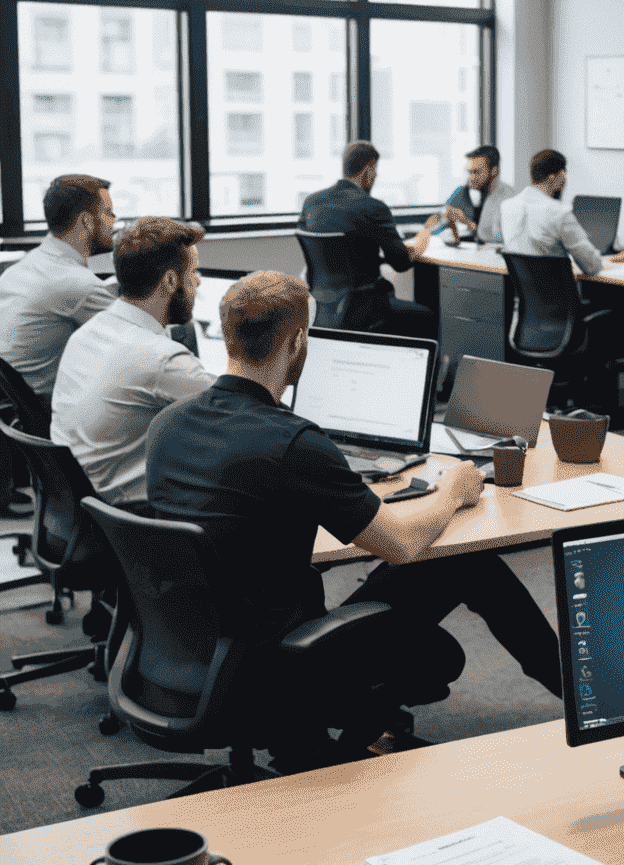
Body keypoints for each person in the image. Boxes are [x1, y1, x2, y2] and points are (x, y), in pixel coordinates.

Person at [146, 272, 563, 769]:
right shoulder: (293, 443)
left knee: (458, 562)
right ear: (299, 341)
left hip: (186, 649)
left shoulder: (167, 425)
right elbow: (403, 544)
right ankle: (584, 694)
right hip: (281, 663)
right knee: (469, 562)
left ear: (227, 335)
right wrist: (452, 491)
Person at [51, 217, 212, 509]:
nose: (198, 282)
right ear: (171, 281)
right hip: (135, 521)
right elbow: (244, 415)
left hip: (85, 508)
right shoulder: (163, 360)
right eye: (194, 272)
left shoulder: (89, 332)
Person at [299, 140, 436, 339]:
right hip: (365, 309)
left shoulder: (311, 203)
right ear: (368, 170)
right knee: (428, 317)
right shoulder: (373, 207)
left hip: (321, 308)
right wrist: (418, 247)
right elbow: (400, 263)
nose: (376, 176)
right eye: (375, 170)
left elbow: (339, 254)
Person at [0, 173, 117, 405]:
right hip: (51, 416)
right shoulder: (77, 284)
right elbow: (141, 340)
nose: (114, 220)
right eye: (108, 212)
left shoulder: (23, 268)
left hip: (15, 416)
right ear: (86, 221)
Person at [500, 148, 624, 270]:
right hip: (560, 293)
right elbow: (592, 266)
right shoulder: (559, 212)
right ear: (561, 175)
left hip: (527, 294)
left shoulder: (507, 207)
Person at [432, 144, 516, 246]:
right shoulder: (462, 192)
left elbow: (492, 239)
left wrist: (466, 222)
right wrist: (444, 233)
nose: (471, 178)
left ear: (494, 171)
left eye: (476, 172)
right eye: (469, 172)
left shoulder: (509, 199)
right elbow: (436, 226)